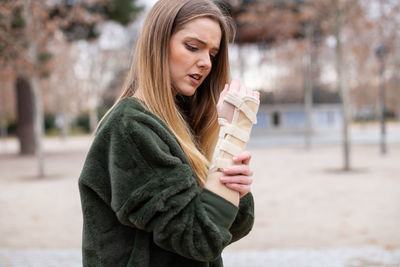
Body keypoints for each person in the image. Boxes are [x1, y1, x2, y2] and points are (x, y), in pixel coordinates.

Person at [78, 0, 259, 266]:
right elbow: (200, 239)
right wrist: (233, 137)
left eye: (212, 53)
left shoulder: (181, 124)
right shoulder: (131, 127)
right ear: (158, 43)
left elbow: (227, 229)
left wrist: (235, 187)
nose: (206, 63)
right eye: (193, 47)